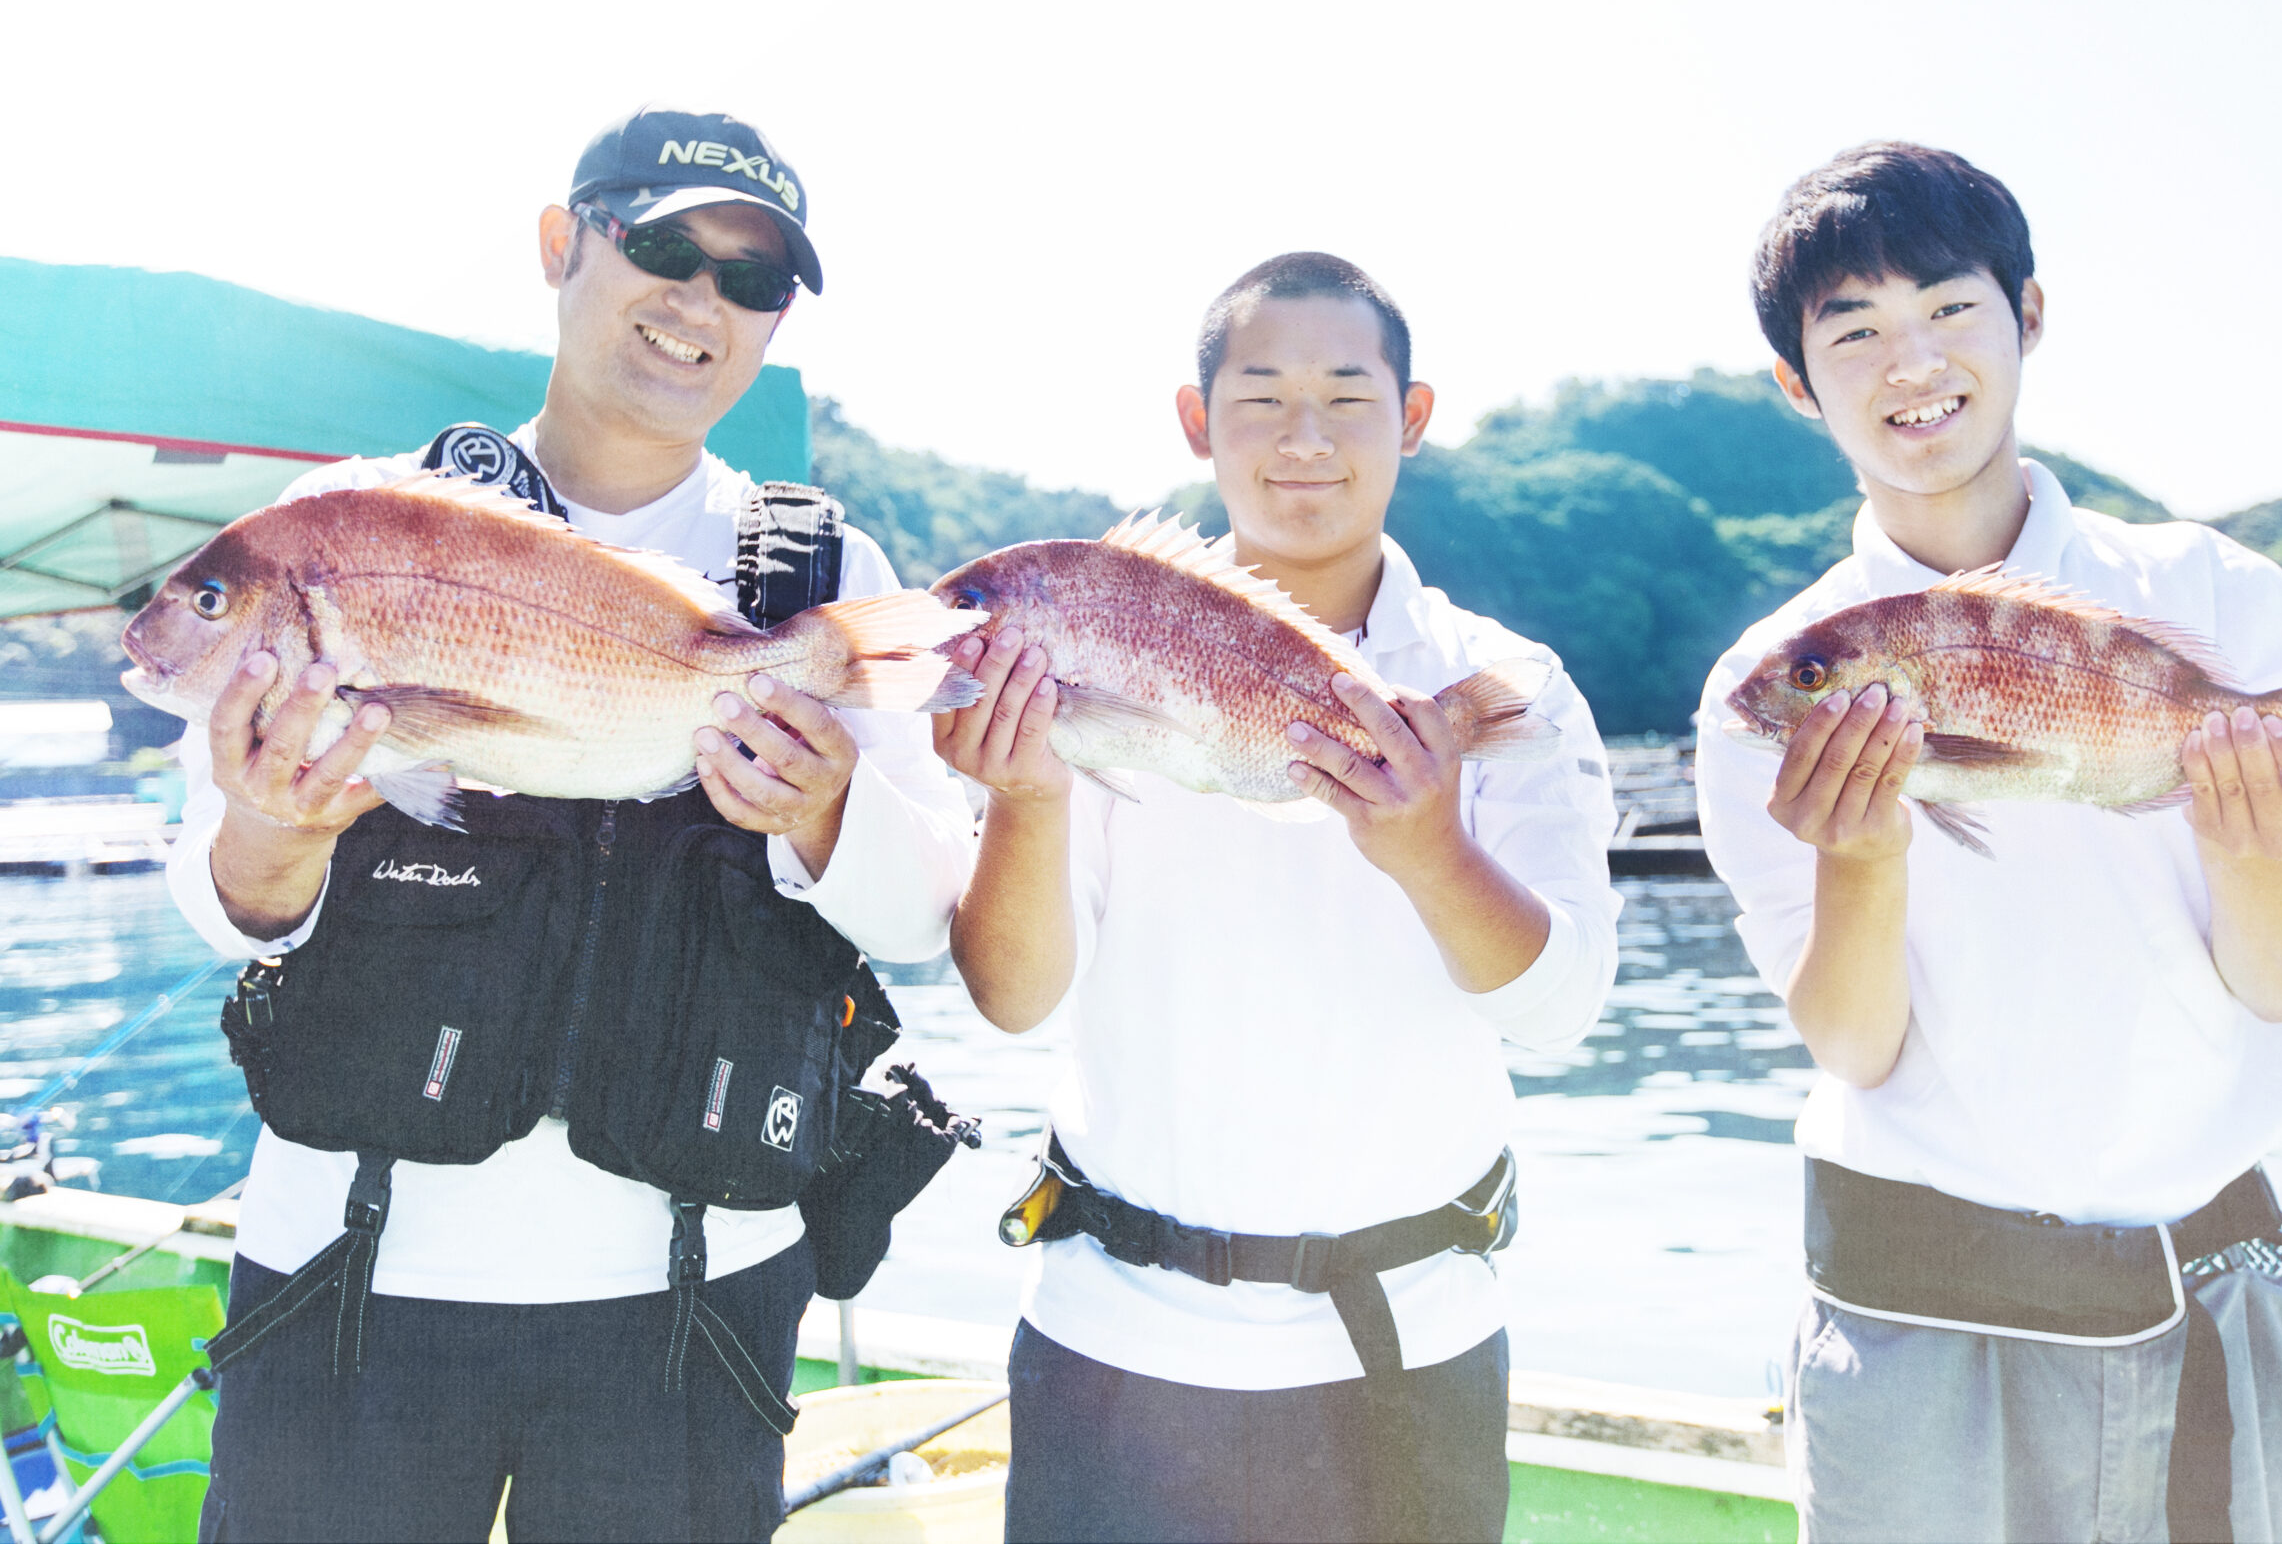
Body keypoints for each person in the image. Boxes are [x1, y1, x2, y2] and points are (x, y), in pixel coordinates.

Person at [167, 107, 975, 1543]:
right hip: (348, 1280)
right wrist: (272, 829)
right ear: (563, 245)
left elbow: (926, 921)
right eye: (663, 247)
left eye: (751, 280)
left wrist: (828, 808)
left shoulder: (821, 573)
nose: (699, 302)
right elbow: (216, 890)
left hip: (693, 1305)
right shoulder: (346, 523)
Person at [1694, 142, 2282, 1543]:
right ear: (1797, 384)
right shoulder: (1766, 682)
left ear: (2029, 317)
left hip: (2213, 1277)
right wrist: (1860, 859)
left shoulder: (2215, 594)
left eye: (1950, 307)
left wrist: (2253, 847)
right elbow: (1856, 1047)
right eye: (1853, 330)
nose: (1911, 360)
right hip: (1912, 1301)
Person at [935, 253, 1621, 1543]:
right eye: (1257, 399)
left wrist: (1426, 846)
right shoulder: (1078, 644)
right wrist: (1027, 797)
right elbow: (1016, 1000)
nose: (1303, 441)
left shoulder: (1504, 679)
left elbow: (1562, 1009)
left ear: (1412, 419)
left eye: (1347, 397)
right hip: (1116, 1343)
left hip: (1411, 1346)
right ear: (1197, 424)